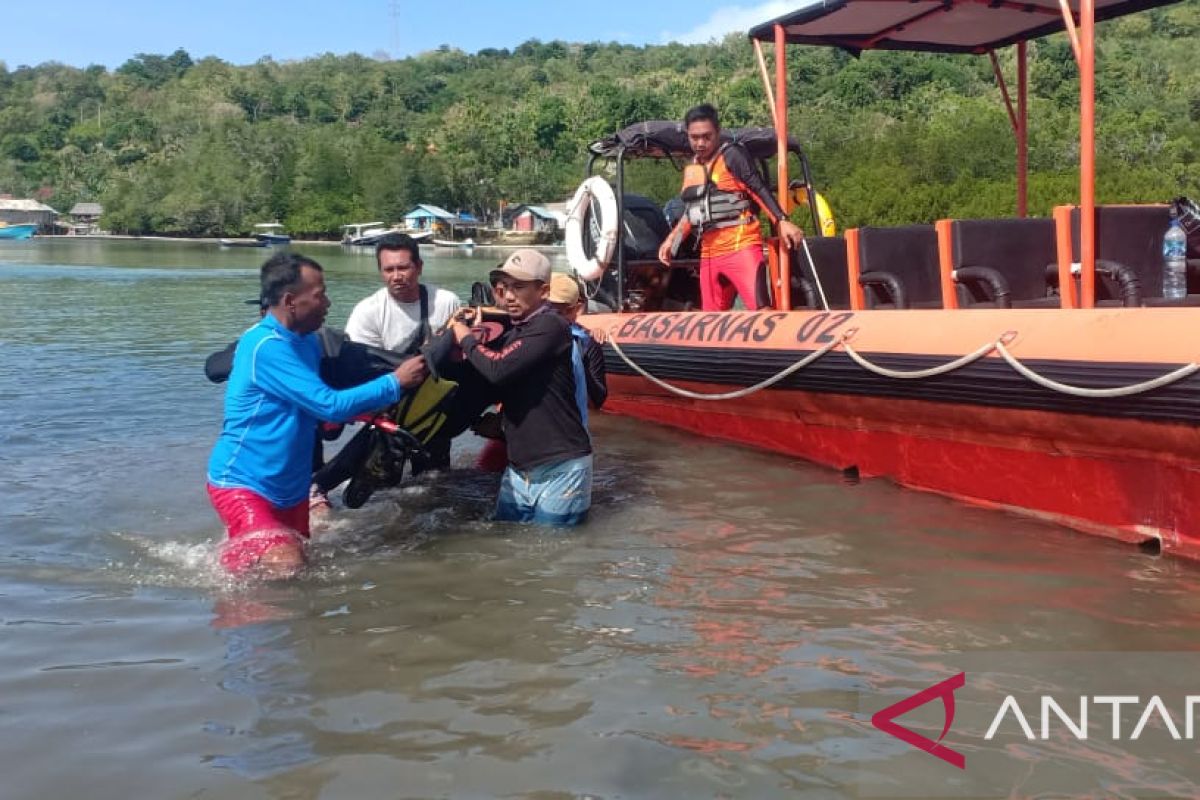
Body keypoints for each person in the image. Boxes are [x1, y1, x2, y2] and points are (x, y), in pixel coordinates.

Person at [206, 252, 428, 577]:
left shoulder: (306, 343)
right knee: (287, 565)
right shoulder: (264, 345)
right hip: (243, 483)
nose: (327, 302)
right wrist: (395, 382)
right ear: (290, 301)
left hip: (291, 487)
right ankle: (236, 620)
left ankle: (240, 585)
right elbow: (329, 404)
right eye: (320, 294)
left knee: (294, 566)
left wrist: (363, 412)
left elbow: (314, 407)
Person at [449, 249, 593, 526]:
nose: (509, 296)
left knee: (552, 556)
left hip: (560, 465)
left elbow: (498, 369)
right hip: (520, 467)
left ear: (544, 291)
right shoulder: (516, 331)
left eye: (519, 287)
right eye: (502, 288)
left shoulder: (552, 325)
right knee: (508, 541)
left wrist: (465, 337)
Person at [657, 103, 805, 311]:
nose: (700, 143)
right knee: (711, 317)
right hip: (708, 252)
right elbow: (691, 213)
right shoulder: (693, 167)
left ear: (718, 132)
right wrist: (672, 242)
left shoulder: (732, 155)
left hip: (740, 245)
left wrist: (781, 220)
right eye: (694, 137)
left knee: (760, 309)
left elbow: (758, 188)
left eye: (707, 136)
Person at [345, 233, 461, 354]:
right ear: (380, 271)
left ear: (419, 267)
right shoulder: (366, 312)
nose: (396, 277)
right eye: (389, 270)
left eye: (403, 268)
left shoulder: (447, 302)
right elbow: (362, 363)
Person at [548, 272, 607, 411]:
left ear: (574, 310)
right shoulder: (524, 335)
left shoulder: (584, 342)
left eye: (553, 309)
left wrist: (579, 363)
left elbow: (598, 399)